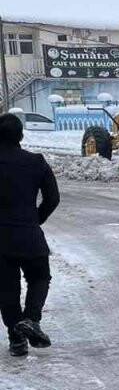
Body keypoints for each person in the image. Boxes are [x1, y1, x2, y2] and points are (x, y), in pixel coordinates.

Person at [0, 112, 58, 356]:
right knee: (40, 277)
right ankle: (31, 319)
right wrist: (36, 218)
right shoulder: (36, 162)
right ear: (21, 135)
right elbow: (53, 198)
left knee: (7, 290)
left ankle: (16, 340)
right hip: (29, 234)